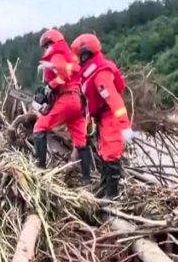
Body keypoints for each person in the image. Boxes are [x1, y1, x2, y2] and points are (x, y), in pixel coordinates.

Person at [71, 33, 134, 199]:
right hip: (102, 118)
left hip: (111, 117)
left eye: (78, 56)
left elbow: (115, 101)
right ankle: (105, 189)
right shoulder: (90, 72)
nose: (77, 59)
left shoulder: (101, 76)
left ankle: (113, 196)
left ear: (85, 55)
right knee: (105, 154)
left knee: (112, 154)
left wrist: (125, 126)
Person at [32, 29, 91, 183]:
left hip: (67, 99)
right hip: (78, 102)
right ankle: (86, 179)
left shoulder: (57, 55)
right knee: (80, 141)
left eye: (46, 46)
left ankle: (40, 169)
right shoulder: (70, 56)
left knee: (40, 127)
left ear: (51, 43)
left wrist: (50, 86)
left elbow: (63, 76)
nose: (46, 49)